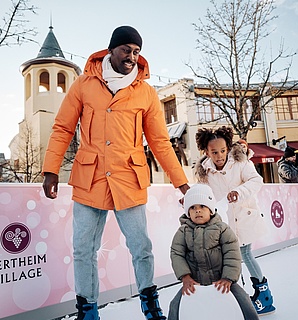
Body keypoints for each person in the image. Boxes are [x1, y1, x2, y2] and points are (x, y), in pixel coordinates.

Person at [42, 25, 190, 320]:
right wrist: (51, 170)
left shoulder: (146, 93)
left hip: (129, 177)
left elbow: (160, 141)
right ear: (111, 49)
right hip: (90, 177)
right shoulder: (84, 84)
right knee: (84, 248)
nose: (131, 57)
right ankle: (87, 309)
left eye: (136, 52)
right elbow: (62, 128)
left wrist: (182, 183)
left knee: (141, 247)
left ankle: (150, 304)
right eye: (126, 50)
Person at [194, 126, 276, 315]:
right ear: (206, 152)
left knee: (244, 254)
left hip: (245, 217)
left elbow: (256, 180)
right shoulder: (205, 171)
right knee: (230, 258)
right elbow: (204, 194)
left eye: (223, 151)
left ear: (228, 148)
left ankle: (264, 295)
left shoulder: (240, 162)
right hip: (226, 223)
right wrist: (191, 199)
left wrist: (238, 192)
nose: (219, 156)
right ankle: (239, 297)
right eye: (214, 152)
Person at [168, 184, 258, 320]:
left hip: (221, 279)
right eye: (193, 208)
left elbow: (232, 253)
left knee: (243, 300)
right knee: (175, 305)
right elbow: (176, 253)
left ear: (210, 209)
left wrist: (228, 278)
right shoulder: (183, 231)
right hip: (195, 281)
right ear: (188, 212)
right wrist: (185, 277)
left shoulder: (222, 229)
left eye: (202, 206)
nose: (197, 211)